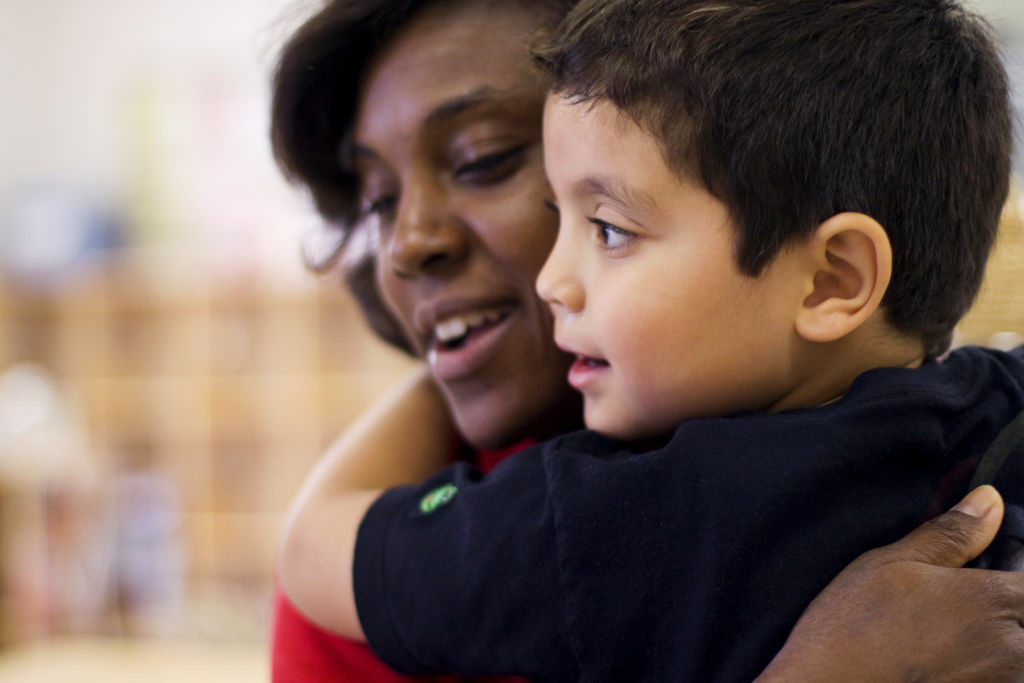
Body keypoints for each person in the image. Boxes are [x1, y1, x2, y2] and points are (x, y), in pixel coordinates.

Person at [270, 0, 1024, 680]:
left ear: (832, 280)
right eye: (376, 200)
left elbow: (311, 544)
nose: (407, 243)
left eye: (483, 160)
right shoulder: (998, 400)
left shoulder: (595, 527)